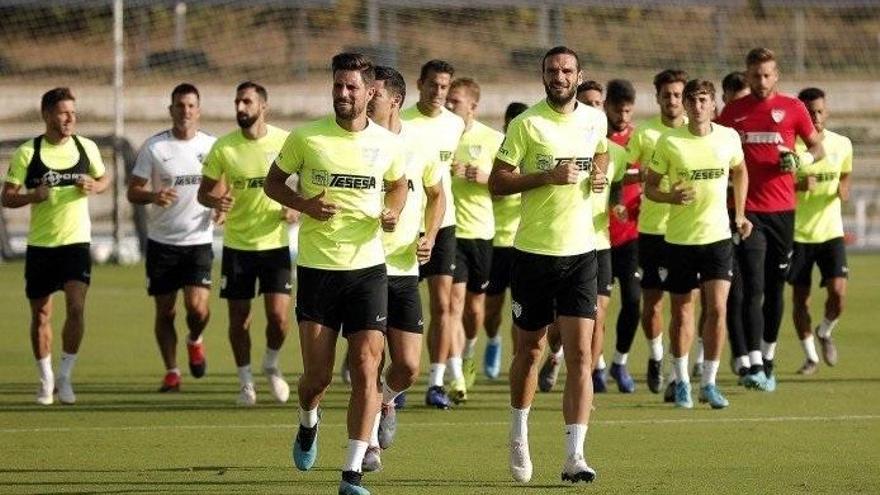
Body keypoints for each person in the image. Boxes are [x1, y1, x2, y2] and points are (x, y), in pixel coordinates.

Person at [263, 52, 407, 495]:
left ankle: (352, 472)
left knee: (367, 365)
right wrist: (305, 205)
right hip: (319, 270)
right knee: (318, 378)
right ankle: (308, 421)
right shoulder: (306, 138)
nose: (342, 94)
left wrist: (392, 212)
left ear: (370, 93)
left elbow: (399, 184)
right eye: (337, 86)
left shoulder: (389, 143)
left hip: (368, 269)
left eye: (351, 87)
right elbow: (273, 182)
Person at [490, 46, 608, 484]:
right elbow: (496, 182)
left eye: (567, 70)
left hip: (581, 253)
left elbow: (601, 153)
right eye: (553, 70)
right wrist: (545, 176)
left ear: (579, 75)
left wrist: (599, 171)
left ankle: (574, 455)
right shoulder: (526, 125)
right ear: (543, 75)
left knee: (581, 354)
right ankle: (519, 432)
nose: (560, 76)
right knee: (531, 350)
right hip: (534, 255)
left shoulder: (595, 119)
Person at [717, 47, 825, 391]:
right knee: (752, 286)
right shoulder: (733, 113)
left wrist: (799, 161)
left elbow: (816, 147)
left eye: (767, 75)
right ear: (746, 76)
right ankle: (749, 362)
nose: (761, 81)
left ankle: (767, 357)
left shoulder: (793, 108)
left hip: (783, 211)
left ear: (776, 75)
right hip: (748, 212)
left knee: (777, 287)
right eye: (755, 75)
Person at [645, 78, 751, 409]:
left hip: (717, 238)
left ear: (713, 104)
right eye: (692, 100)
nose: (697, 105)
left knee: (718, 308)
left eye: (703, 99)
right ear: (686, 106)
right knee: (682, 313)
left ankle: (709, 382)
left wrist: (741, 213)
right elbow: (650, 188)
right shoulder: (669, 141)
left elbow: (740, 171)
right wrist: (669, 196)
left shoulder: (728, 138)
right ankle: (680, 382)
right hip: (679, 240)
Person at [1, 87, 110, 405]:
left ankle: (65, 375)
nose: (70, 118)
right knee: (41, 315)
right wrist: (33, 196)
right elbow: (7, 196)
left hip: (75, 243)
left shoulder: (86, 147)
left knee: (76, 307)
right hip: (41, 245)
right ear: (47, 114)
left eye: (73, 113)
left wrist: (95, 185)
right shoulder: (27, 153)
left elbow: (103, 180)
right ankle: (45, 377)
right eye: (63, 112)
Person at [361, 65, 446, 471]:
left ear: (394, 100)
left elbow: (437, 195)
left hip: (405, 266)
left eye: (373, 93)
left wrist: (429, 236)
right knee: (370, 356)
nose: (365, 99)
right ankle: (367, 446)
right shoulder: (357, 142)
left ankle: (387, 401)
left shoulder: (418, 143)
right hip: (363, 263)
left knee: (409, 365)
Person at [198, 81, 292, 406]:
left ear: (262, 106)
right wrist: (215, 202)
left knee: (279, 319)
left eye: (247, 102)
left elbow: (307, 183)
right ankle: (245, 382)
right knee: (239, 319)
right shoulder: (224, 147)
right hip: (238, 248)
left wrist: (295, 206)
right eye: (237, 101)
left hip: (275, 246)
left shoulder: (284, 141)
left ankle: (270, 362)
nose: (240, 108)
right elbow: (203, 193)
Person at [127, 83, 217, 392]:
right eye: (180, 106)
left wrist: (222, 208)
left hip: (198, 240)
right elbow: (133, 191)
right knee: (165, 310)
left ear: (199, 110)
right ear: (171, 110)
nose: (185, 111)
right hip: (162, 242)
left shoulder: (213, 146)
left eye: (191, 106)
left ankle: (195, 340)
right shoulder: (155, 148)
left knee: (198, 309)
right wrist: (153, 194)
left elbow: (225, 186)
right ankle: (172, 371)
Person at [400, 59, 465, 408]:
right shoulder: (401, 122)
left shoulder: (455, 124)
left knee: (442, 304)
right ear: (420, 83)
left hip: (443, 225)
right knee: (395, 304)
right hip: (406, 225)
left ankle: (436, 382)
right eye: (433, 85)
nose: (438, 92)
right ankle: (393, 380)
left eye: (444, 87)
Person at [626, 69, 689, 396]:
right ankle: (655, 357)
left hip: (689, 233)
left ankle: (680, 376)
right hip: (652, 231)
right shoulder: (645, 134)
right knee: (651, 304)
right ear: (658, 98)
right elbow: (625, 170)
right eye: (667, 95)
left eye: (678, 95)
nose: (673, 100)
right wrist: (639, 175)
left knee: (684, 306)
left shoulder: (697, 135)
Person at [445, 77, 505, 397]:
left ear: (473, 106)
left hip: (481, 233)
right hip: (449, 232)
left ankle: (469, 352)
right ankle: (455, 375)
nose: (449, 105)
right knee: (452, 304)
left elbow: (511, 182)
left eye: (455, 101)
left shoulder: (493, 139)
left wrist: (483, 177)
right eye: (448, 100)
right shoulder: (438, 134)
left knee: (474, 309)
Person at [789, 87, 851, 375]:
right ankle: (811, 356)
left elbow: (846, 174)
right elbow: (774, 188)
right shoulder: (792, 149)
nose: (815, 116)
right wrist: (798, 185)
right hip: (798, 235)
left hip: (831, 233)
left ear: (826, 112)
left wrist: (844, 189)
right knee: (801, 299)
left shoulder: (842, 144)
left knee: (838, 294)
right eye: (809, 111)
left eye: (819, 111)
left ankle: (825, 331)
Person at [483, 101, 528, 380]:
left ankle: (517, 361)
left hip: (524, 242)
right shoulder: (498, 155)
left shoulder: (537, 154)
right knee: (491, 311)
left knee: (520, 310)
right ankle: (492, 341)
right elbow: (495, 190)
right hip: (495, 242)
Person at [720, 70, 752, 376]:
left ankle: (749, 352)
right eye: (736, 101)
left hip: (753, 215)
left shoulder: (746, 128)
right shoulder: (714, 129)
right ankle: (739, 354)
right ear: (724, 99)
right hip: (719, 219)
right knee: (733, 291)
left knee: (756, 289)